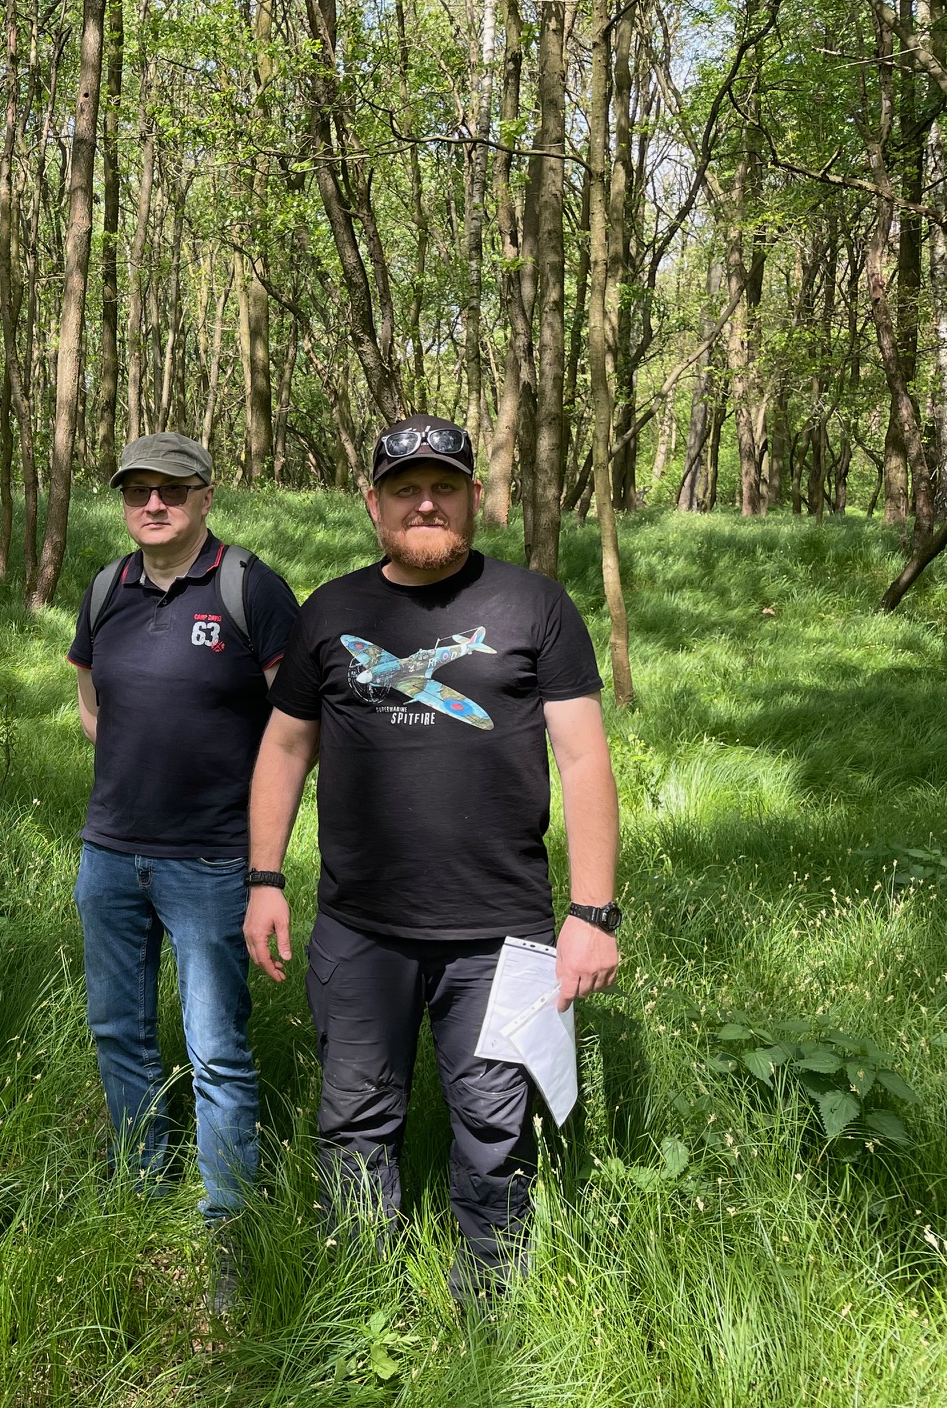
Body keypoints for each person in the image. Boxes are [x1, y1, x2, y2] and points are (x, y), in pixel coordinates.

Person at [244, 413, 621, 1300]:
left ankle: (490, 1306)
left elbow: (585, 759)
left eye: (444, 486)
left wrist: (592, 911)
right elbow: (285, 749)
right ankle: (360, 1295)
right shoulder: (332, 611)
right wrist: (264, 879)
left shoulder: (535, 606)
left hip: (502, 931)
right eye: (406, 488)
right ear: (373, 504)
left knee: (494, 1128)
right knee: (354, 1120)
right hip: (358, 925)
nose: (426, 503)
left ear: (473, 499)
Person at [68, 432, 299, 1311]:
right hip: (110, 854)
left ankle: (226, 1229)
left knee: (217, 1052)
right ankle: (140, 1189)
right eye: (137, 492)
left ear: (205, 496)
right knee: (118, 1033)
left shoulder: (250, 588)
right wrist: (124, 751)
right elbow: (88, 689)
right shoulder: (108, 588)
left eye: (170, 490)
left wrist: (260, 850)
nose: (152, 505)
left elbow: (295, 721)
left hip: (209, 860)